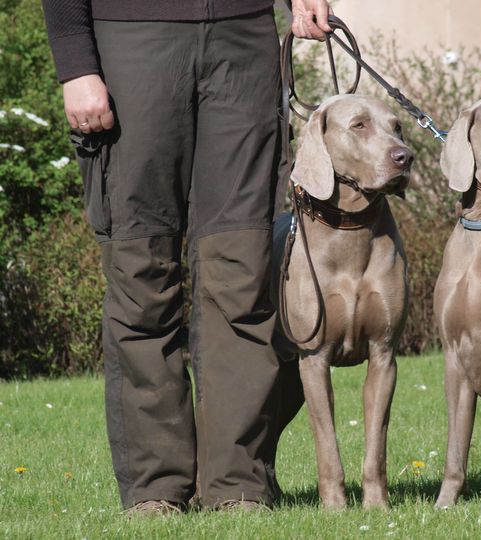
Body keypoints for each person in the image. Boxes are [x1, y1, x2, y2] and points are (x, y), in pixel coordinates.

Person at [41, 0, 331, 514]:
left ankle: (238, 486)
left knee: (241, 273)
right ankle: (156, 488)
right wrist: (76, 65)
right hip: (133, 38)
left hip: (243, 38)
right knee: (142, 272)